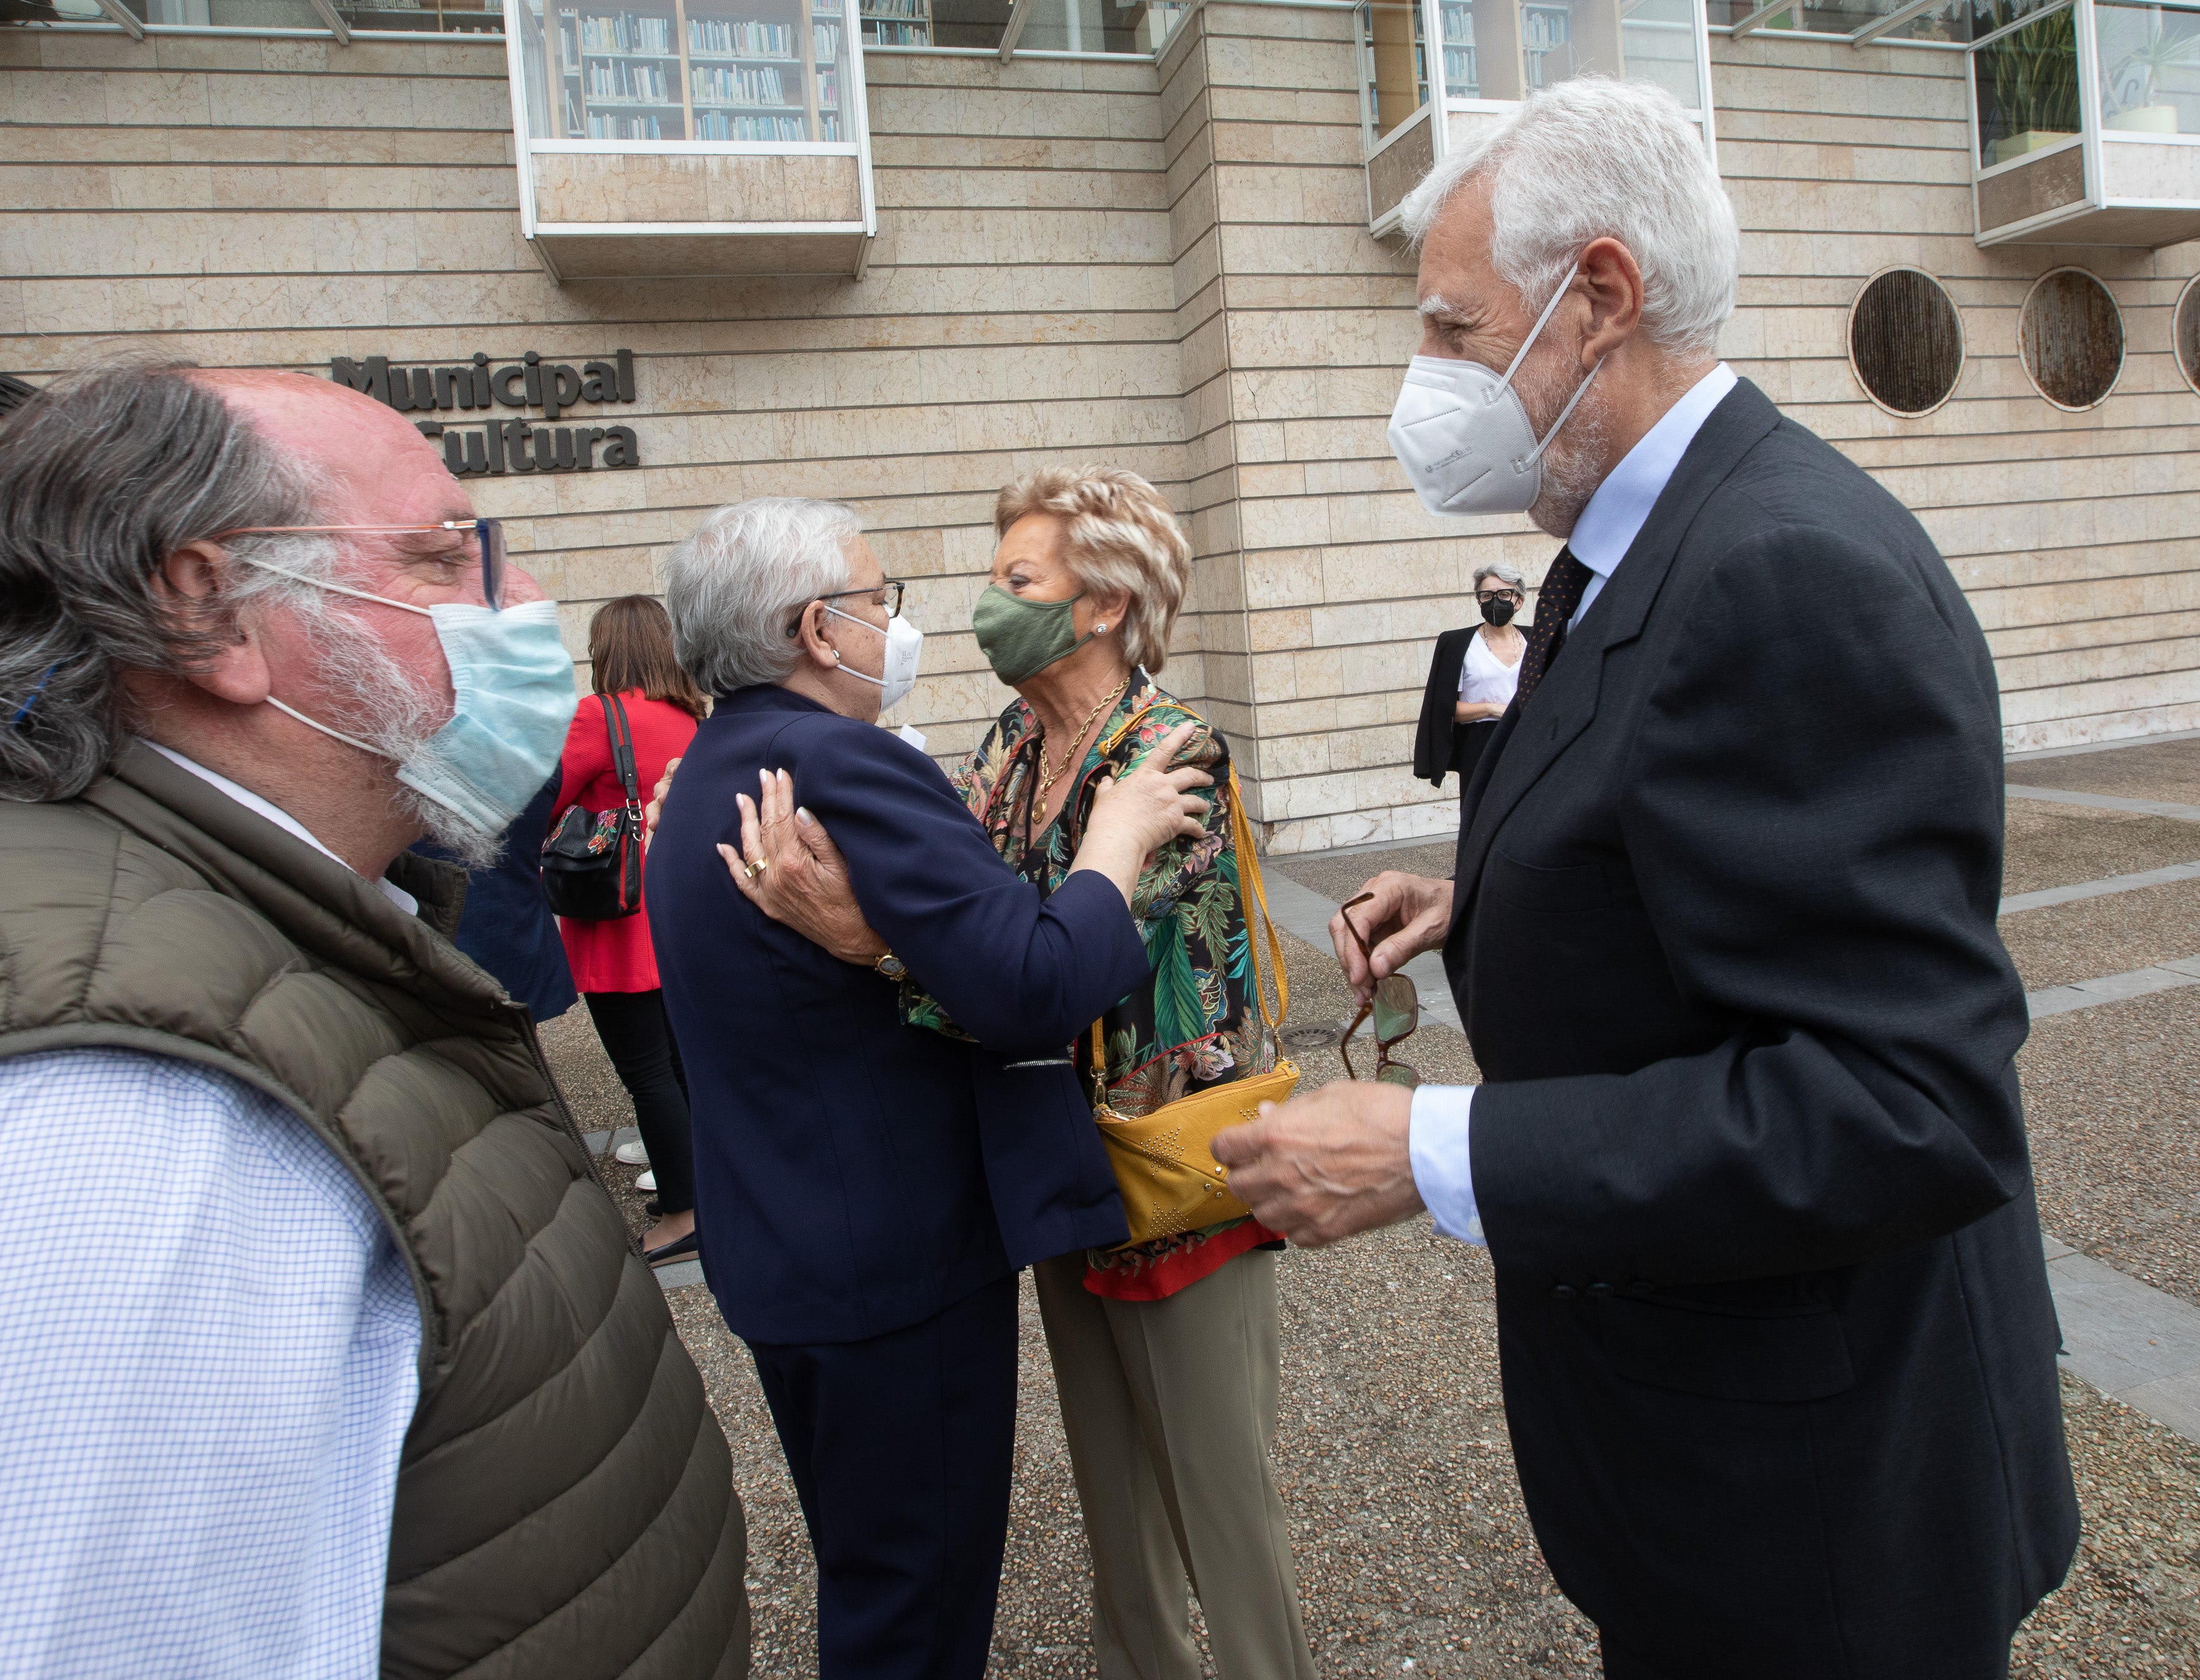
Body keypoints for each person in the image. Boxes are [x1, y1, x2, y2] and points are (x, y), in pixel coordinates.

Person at [0, 355, 748, 1679]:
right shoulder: (80, 1118)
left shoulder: (194, 928)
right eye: (442, 558)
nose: (521, 602)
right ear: (210, 612)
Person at [1211, 78, 2077, 1679]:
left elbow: (1907, 1104)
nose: (1426, 379)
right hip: (1703, 1462)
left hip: (1815, 1520)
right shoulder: (1632, 538)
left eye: (1453, 330)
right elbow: (1707, 851)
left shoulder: (1779, 565)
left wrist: (1432, 1145)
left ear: (1596, 298)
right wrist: (1499, 897)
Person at [731, 466, 1314, 1680]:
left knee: (1220, 1502)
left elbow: (1062, 970)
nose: (989, 608)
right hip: (1053, 1166)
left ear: (1100, 604)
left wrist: (871, 942)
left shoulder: (1172, 757)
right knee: (1112, 1487)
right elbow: (961, 903)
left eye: (1017, 580)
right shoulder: (1006, 745)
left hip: (1177, 1177)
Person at [550, 593, 705, 1263]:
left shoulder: (598, 715)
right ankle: (704, 1191)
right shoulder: (689, 720)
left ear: (608, 650)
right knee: (680, 1067)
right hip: (676, 916)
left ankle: (683, 1215)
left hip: (616, 925)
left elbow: (544, 798)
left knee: (646, 1076)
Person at [416, 770, 578, 1024]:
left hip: (442, 944)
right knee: (518, 1046)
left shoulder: (410, 764)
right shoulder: (536, 753)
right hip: (520, 929)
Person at [1411, 563, 1525, 789]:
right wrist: (1493, 709)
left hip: (1528, 738)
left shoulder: (1536, 641)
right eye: (1487, 595)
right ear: (1479, 601)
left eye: (1504, 594)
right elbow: (1443, 709)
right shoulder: (1457, 644)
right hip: (1481, 743)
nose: (1495, 601)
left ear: (1519, 601)